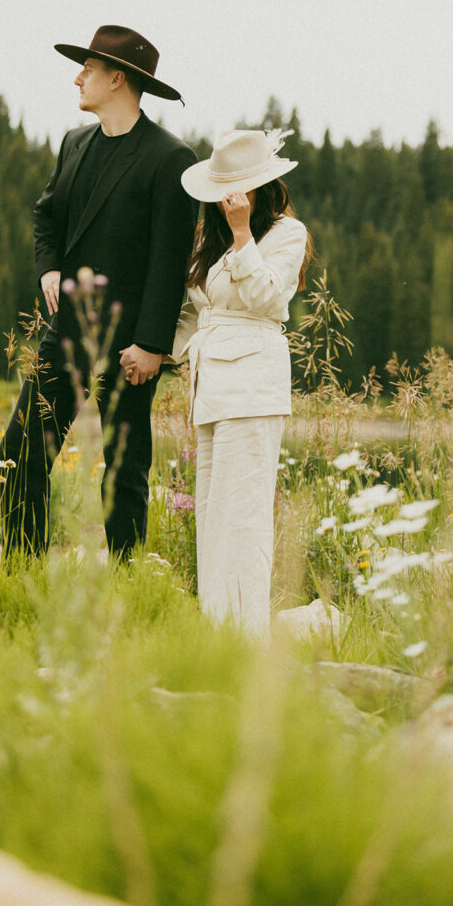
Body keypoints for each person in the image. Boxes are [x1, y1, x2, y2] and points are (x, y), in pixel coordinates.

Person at [0, 25, 197, 561]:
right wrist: (48, 269)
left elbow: (170, 261)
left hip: (130, 344)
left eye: (87, 69)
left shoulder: (171, 159)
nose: (77, 78)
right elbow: (47, 217)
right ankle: (22, 574)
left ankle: (128, 582)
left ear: (117, 79)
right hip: (65, 334)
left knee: (124, 468)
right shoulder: (74, 143)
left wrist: (152, 343)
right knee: (19, 450)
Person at [172, 129, 311, 636]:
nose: (227, 201)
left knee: (243, 518)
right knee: (212, 517)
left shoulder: (285, 235)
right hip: (210, 389)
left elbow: (270, 299)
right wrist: (156, 352)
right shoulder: (208, 241)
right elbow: (196, 313)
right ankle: (216, 639)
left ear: (262, 189)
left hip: (252, 386)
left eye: (237, 191)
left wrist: (242, 233)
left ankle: (245, 641)